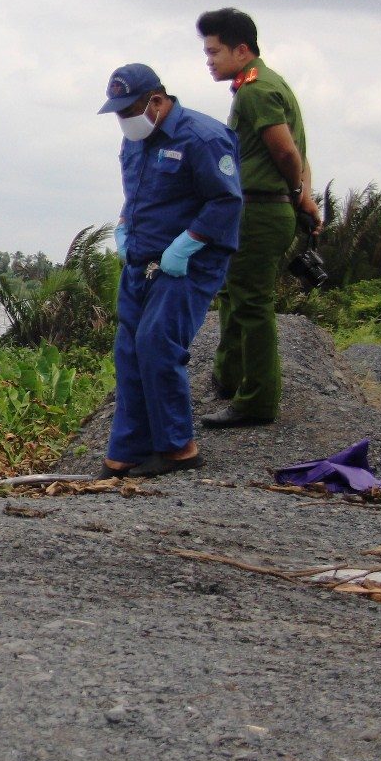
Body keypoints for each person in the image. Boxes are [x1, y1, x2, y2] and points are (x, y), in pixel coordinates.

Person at [98, 63, 242, 478]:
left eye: (131, 110)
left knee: (157, 344)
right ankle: (127, 450)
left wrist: (187, 243)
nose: (125, 120)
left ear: (157, 101)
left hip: (189, 260)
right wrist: (125, 226)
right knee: (128, 352)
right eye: (119, 113)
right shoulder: (134, 142)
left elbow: (227, 201)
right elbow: (139, 194)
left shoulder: (203, 137)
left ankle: (179, 448)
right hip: (141, 259)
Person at [196, 8, 319, 429]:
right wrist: (305, 194)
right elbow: (299, 152)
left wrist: (300, 195)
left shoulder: (255, 91)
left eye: (214, 51)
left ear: (241, 49)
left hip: (262, 208)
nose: (208, 59)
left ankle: (257, 401)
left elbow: (286, 151)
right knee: (234, 294)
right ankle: (229, 379)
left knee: (252, 305)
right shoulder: (269, 83)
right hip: (261, 206)